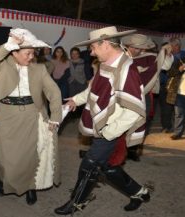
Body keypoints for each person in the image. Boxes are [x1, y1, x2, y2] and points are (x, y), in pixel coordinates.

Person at [54, 26, 151, 215]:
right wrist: (77, 99)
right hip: (104, 127)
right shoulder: (108, 63)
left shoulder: (125, 69)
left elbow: (134, 109)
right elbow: (94, 90)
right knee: (107, 167)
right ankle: (140, 192)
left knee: (89, 165)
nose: (91, 52)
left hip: (110, 130)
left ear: (105, 44)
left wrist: (109, 132)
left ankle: (76, 203)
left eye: (93, 48)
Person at [0, 28, 62, 205]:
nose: (31, 57)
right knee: (7, 153)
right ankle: (5, 180)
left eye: (33, 53)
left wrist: (55, 117)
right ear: (15, 52)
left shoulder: (39, 69)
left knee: (29, 154)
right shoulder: (3, 65)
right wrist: (10, 44)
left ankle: (30, 186)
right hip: (8, 114)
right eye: (28, 53)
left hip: (32, 114)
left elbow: (54, 92)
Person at [120, 33, 173, 161]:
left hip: (145, 95)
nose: (133, 49)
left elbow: (165, 65)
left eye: (137, 48)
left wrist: (166, 53)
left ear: (143, 48)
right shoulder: (123, 57)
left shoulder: (150, 57)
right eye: (132, 46)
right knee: (124, 121)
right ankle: (121, 148)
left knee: (142, 121)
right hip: (125, 94)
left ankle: (134, 149)